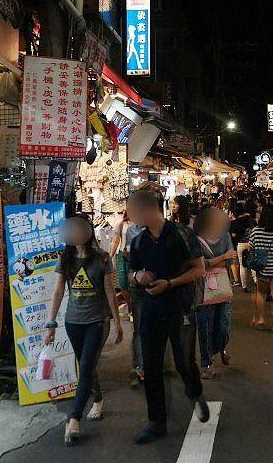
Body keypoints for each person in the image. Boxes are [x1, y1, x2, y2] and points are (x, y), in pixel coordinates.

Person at [126, 188, 209, 444]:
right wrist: (138, 277)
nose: (132, 215)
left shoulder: (181, 234)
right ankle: (157, 422)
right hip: (150, 309)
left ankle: (195, 393)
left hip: (180, 308)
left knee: (184, 361)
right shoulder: (138, 241)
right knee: (152, 366)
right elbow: (131, 273)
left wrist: (170, 283)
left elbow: (199, 269)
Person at [44, 216, 123, 446]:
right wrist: (51, 324)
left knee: (87, 366)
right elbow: (58, 291)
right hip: (73, 322)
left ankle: (74, 418)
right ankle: (97, 397)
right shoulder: (65, 258)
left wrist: (117, 322)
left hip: (97, 321)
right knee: (86, 365)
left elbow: (109, 291)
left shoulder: (102, 258)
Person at [194, 207, 235, 379]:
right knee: (205, 327)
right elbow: (201, 264)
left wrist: (214, 262)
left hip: (223, 286)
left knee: (223, 325)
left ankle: (221, 347)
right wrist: (222, 257)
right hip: (203, 288)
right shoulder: (196, 239)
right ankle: (207, 363)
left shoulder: (225, 236)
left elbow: (231, 260)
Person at [110, 211, 146, 385]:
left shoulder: (160, 229)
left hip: (155, 283)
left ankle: (151, 364)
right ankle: (139, 366)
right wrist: (111, 255)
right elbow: (117, 241)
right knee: (124, 285)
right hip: (128, 264)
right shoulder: (125, 226)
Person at [246, 204, 273, 331]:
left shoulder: (256, 231)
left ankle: (261, 320)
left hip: (262, 267)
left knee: (261, 293)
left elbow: (250, 248)